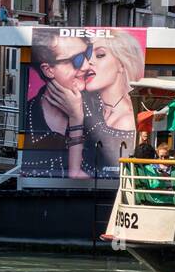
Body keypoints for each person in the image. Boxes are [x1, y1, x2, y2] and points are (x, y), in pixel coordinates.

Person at [22, 30, 94, 180]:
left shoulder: (101, 113)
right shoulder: (27, 115)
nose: (87, 65)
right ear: (48, 70)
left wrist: (76, 118)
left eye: (87, 53)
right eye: (77, 59)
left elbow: (93, 175)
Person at [82, 30, 142, 179]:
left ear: (121, 64)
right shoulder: (93, 107)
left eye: (100, 55)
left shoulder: (129, 118)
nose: (88, 61)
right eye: (87, 55)